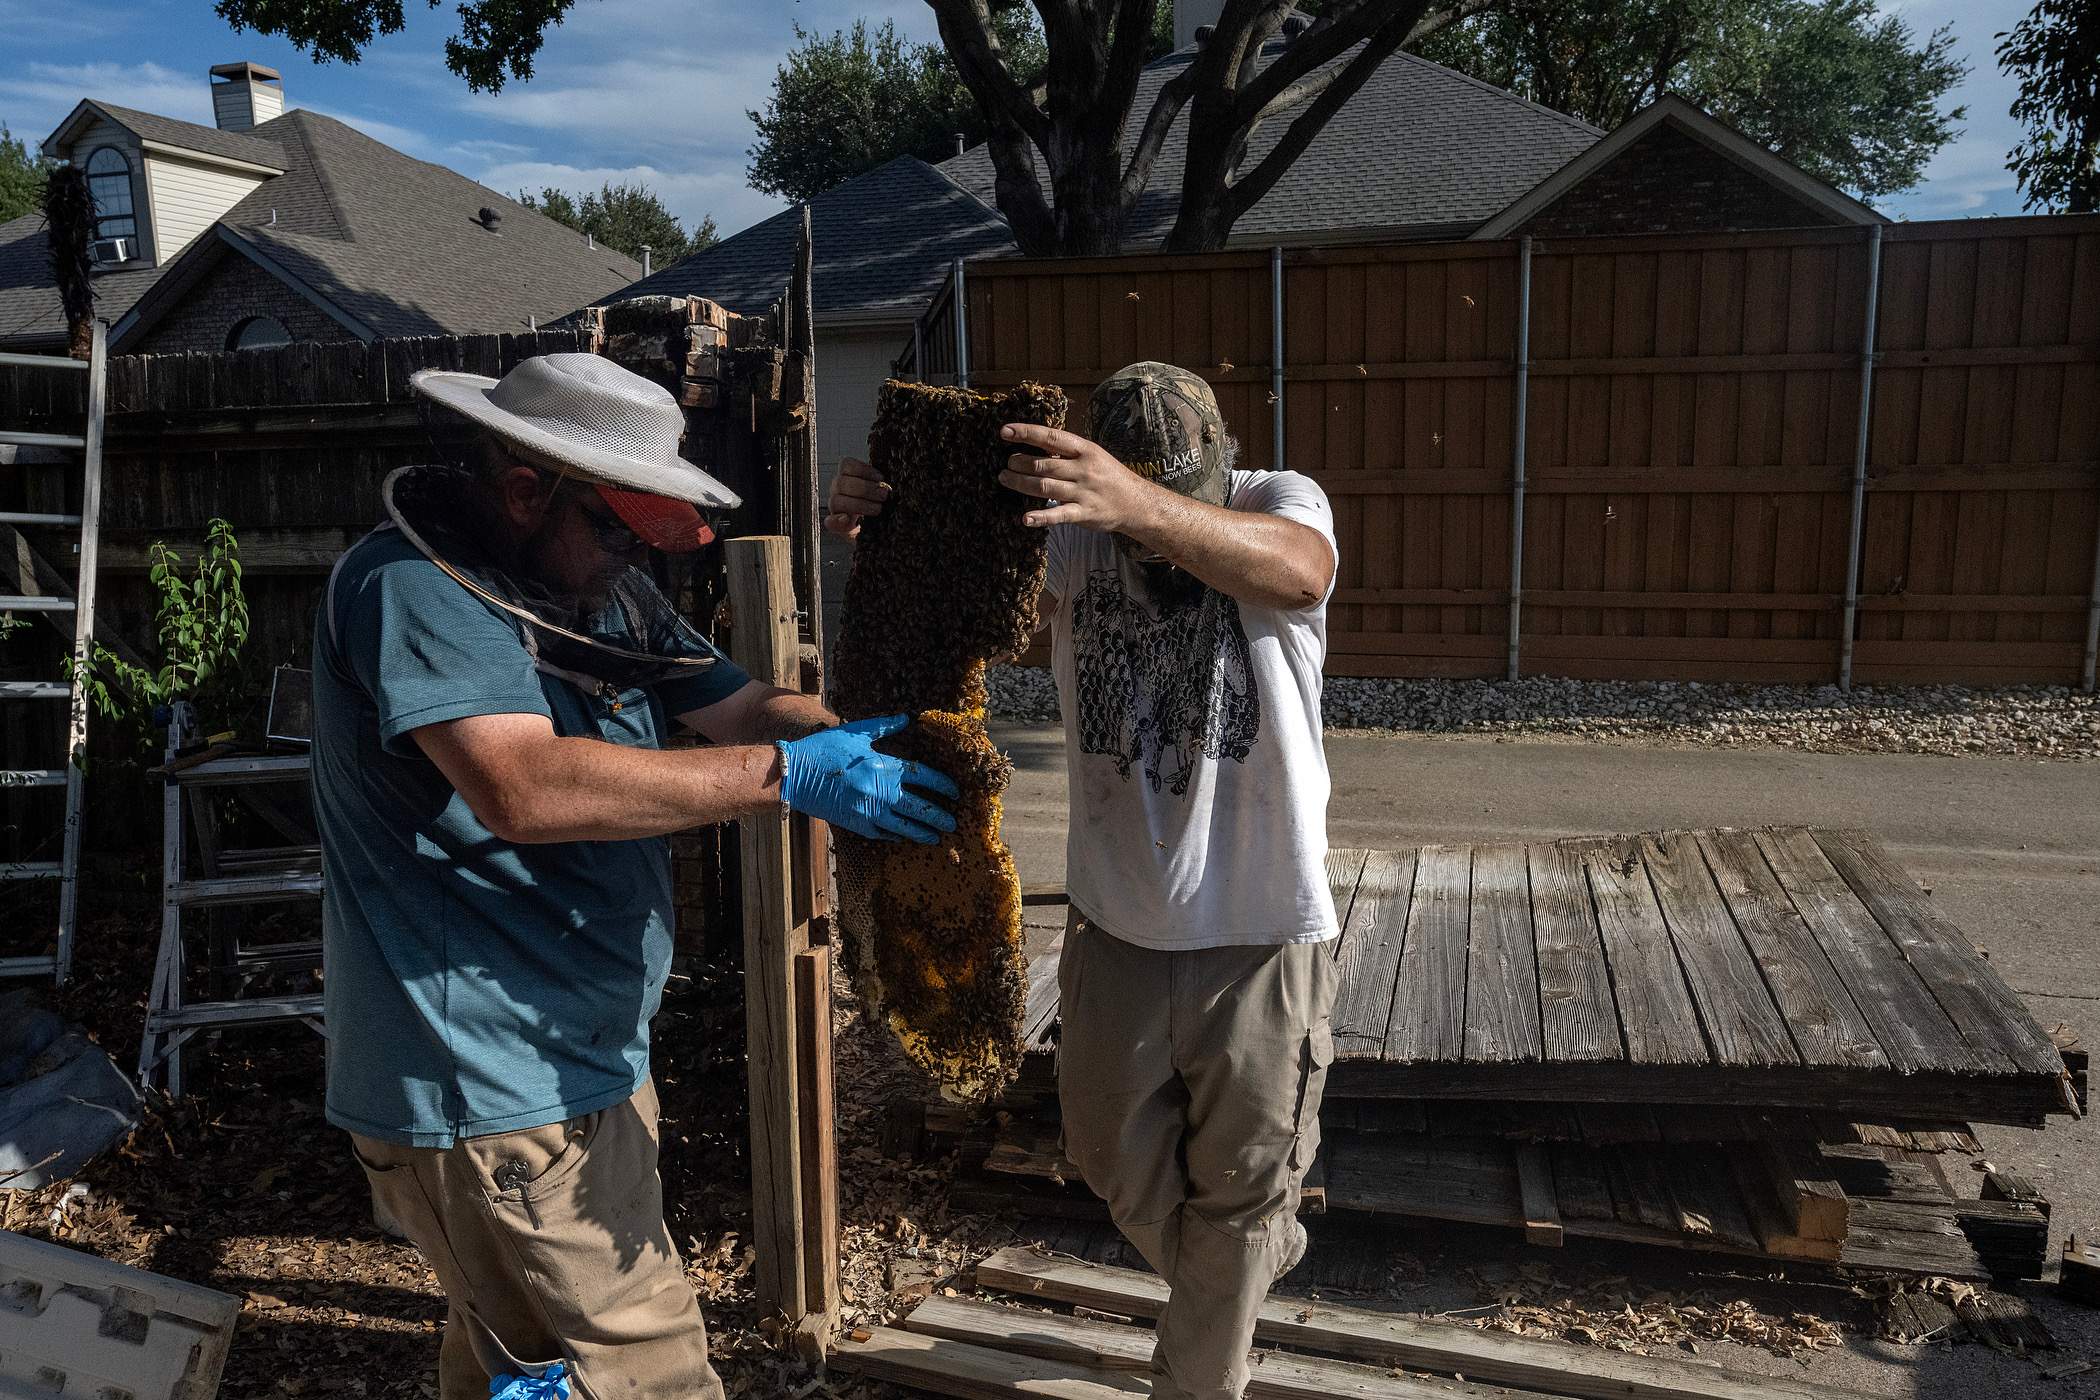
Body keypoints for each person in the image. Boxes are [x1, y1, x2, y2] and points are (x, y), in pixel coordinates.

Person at [314, 353, 959, 1399]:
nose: (633, 556)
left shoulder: (602, 593)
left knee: (518, 1359)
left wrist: (854, 739)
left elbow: (740, 705)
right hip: (487, 1078)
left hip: (583, 1051)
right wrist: (789, 775)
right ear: (525, 490)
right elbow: (520, 786)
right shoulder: (416, 591)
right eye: (617, 528)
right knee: (653, 1374)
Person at [828, 362, 1339, 1400]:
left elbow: (1300, 573)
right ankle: (1245, 1261)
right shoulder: (1075, 532)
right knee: (1106, 1155)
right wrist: (891, 522)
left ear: (1223, 461)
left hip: (1262, 929)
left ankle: (1200, 1366)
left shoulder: (1277, 498)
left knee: (1238, 1188)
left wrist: (1134, 504)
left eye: (1168, 498)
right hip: (1115, 923)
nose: (1146, 539)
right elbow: (990, 612)